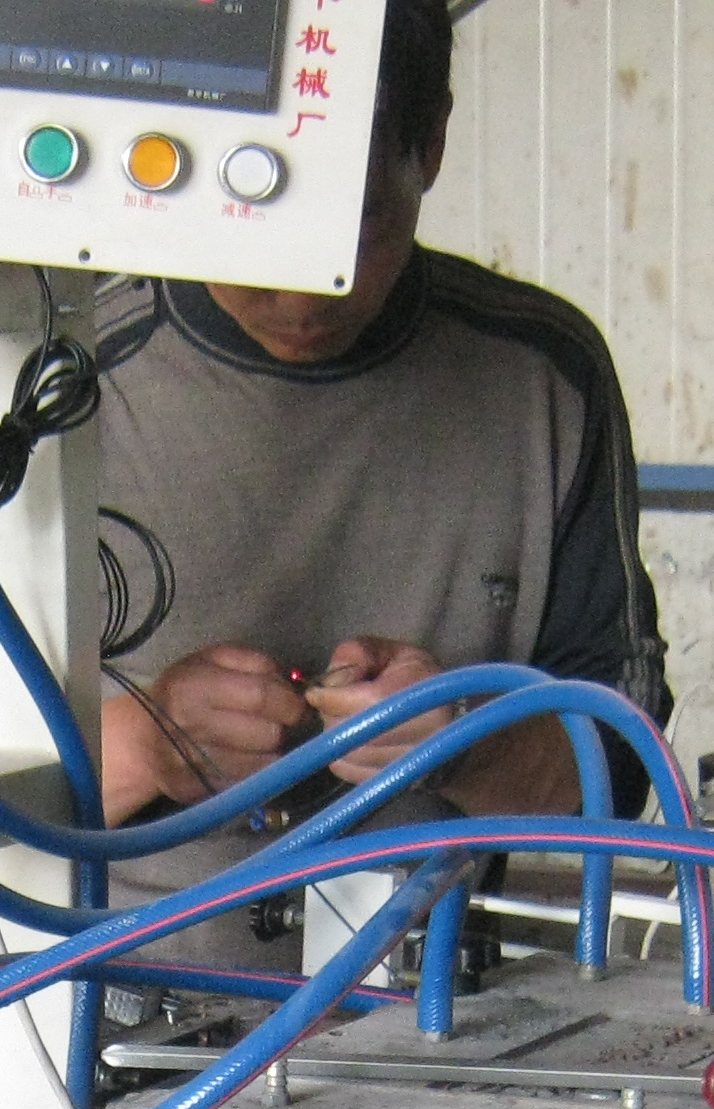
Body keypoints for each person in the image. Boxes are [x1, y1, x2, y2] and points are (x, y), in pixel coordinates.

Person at [74, 0, 667, 840]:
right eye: (256, 223)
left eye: (355, 228)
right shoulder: (56, 386)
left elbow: (625, 765)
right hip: (118, 928)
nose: (301, 299)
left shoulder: (544, 378)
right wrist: (141, 749)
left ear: (432, 143)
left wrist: (466, 740)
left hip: (436, 928)